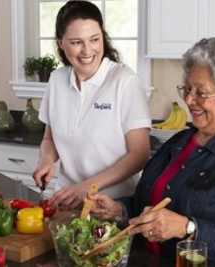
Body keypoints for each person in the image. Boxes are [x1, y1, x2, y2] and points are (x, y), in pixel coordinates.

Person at [90, 38, 215, 267]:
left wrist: (188, 227)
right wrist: (119, 209)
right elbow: (147, 203)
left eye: (201, 93)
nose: (188, 100)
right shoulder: (179, 141)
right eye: (187, 89)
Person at [33, 0, 151, 209]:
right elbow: (49, 138)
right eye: (77, 42)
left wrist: (87, 187)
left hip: (112, 206)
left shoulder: (125, 81)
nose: (87, 50)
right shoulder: (57, 80)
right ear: (61, 43)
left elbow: (139, 155)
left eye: (94, 39)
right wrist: (46, 161)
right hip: (66, 202)